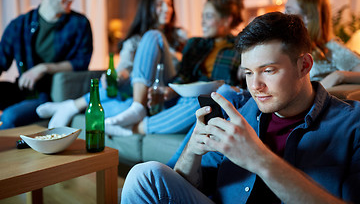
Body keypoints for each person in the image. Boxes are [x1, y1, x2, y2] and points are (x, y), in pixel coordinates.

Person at [120, 12, 360, 204]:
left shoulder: (352, 123)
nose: (256, 86)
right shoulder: (239, 110)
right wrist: (192, 151)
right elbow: (187, 189)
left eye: (268, 70)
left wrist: (260, 160)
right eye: (248, 73)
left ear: (304, 65)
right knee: (145, 176)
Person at [104, 0, 248, 136]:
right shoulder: (195, 44)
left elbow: (237, 91)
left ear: (226, 20)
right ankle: (137, 108)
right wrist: (171, 91)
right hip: (180, 99)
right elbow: (183, 76)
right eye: (202, 16)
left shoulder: (241, 48)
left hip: (202, 104)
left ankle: (134, 129)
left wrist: (247, 67)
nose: (202, 22)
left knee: (203, 103)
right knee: (153, 35)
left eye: (209, 16)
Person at [36, 0, 186, 129]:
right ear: (147, 8)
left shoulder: (180, 37)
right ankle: (131, 110)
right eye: (160, 4)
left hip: (167, 90)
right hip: (143, 96)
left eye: (169, 4)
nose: (167, 9)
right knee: (109, 105)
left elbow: (188, 73)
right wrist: (116, 77)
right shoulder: (133, 41)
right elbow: (125, 69)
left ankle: (73, 105)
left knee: (153, 36)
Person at [0, 0, 93, 129]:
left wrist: (43, 68)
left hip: (52, 95)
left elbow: (81, 63)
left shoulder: (79, 24)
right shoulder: (19, 25)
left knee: (9, 117)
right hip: (23, 90)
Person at [285, 0, 360, 89]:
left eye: (289, 10)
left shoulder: (333, 49)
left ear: (308, 16)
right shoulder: (289, 45)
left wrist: (339, 76)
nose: (284, 14)